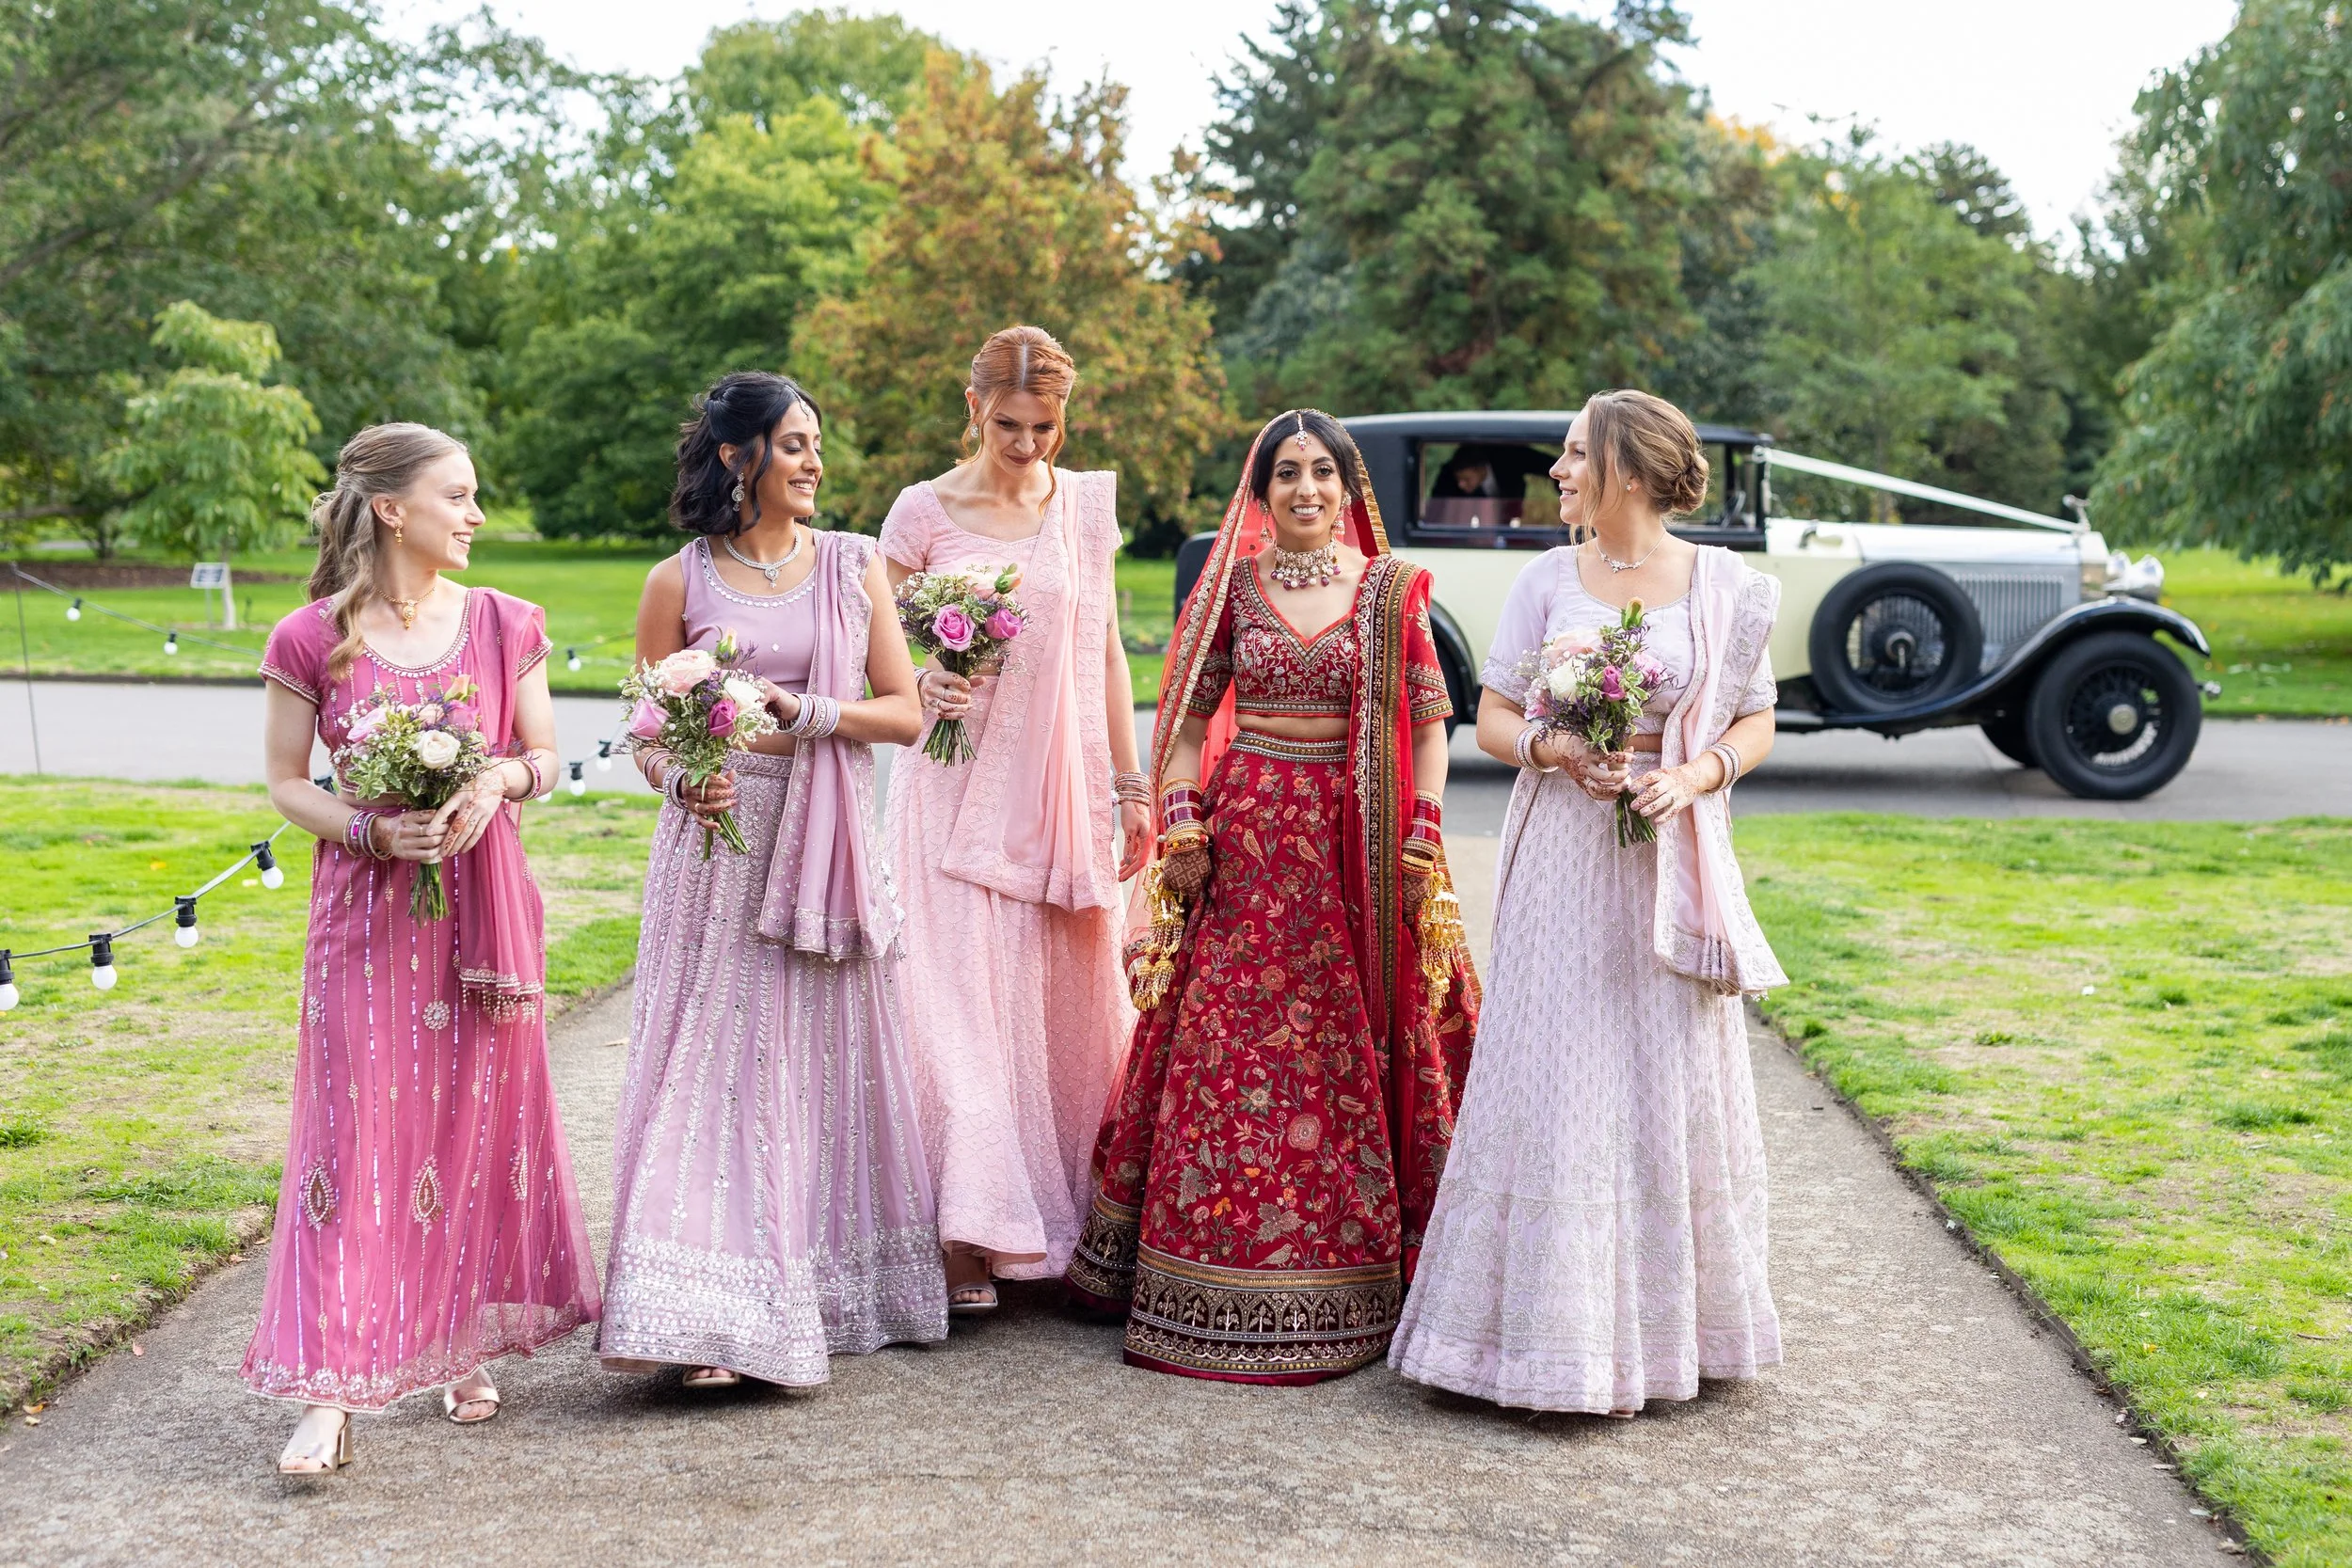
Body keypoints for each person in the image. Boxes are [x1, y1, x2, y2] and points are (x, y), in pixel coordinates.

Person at [1389, 388, 1787, 1416]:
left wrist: (1693, 776)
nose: (1558, 472)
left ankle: (1662, 1338)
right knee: (1552, 1068)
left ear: (1630, 469)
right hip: (1563, 849)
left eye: (1574, 455)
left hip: (1669, 848)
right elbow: (1490, 716)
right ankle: (1529, 1340)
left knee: (1661, 1071)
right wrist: (1555, 748)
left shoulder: (1727, 586)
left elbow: (1754, 719)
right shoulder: (1544, 577)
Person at [1065, 409, 1479, 1384]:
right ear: (1261, 496)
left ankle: (1354, 1274)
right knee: (1227, 1040)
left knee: (1342, 1041)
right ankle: (1196, 1274)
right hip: (1246, 846)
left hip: (1358, 851)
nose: (1304, 489)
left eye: (1321, 473)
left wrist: (1421, 829)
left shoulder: (1390, 593)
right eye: (1285, 473)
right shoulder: (1233, 592)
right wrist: (1181, 821)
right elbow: (1184, 726)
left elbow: (1427, 726)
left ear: (1347, 489)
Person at [247, 422, 598, 1473]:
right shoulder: (308, 637)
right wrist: (367, 826)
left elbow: (541, 753)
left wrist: (494, 781)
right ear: (393, 507)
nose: (477, 514)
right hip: (364, 920)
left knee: (471, 1121)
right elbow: (285, 781)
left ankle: (461, 1337)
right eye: (459, 495)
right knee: (351, 1142)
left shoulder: (502, 622)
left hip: (480, 916)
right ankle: (327, 1390)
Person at [597, 372, 946, 1388]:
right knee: (712, 1065)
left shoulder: (851, 564)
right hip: (713, 852)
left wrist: (804, 713)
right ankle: (703, 1310)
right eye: (794, 445)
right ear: (738, 456)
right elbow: (648, 730)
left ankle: (812, 1289)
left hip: (824, 840)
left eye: (817, 445)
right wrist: (679, 782)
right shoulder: (679, 579)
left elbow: (903, 710)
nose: (814, 463)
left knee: (808, 1067)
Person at [881, 326, 1147, 1314]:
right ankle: (963, 1228)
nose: (1028, 443)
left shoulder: (1081, 508)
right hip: (949, 784)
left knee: (1053, 1001)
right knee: (953, 1001)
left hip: (1060, 787)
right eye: (1008, 424)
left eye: (1044, 425)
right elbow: (874, 647)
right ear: (972, 406)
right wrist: (927, 675)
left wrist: (1129, 785)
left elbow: (1108, 648)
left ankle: (1063, 1220)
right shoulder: (920, 512)